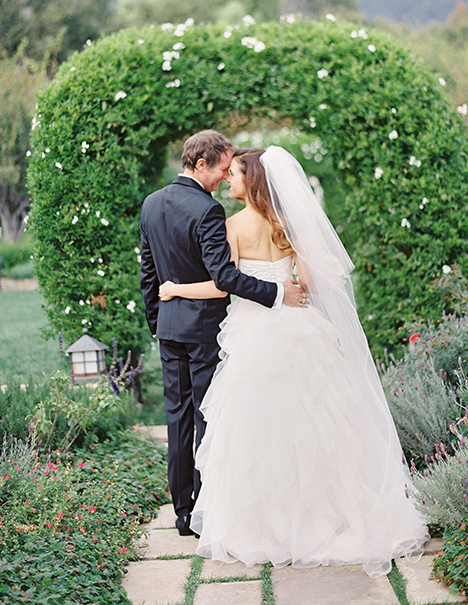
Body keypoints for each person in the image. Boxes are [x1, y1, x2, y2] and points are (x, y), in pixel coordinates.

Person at [158, 146, 427, 573]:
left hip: (254, 334)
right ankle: (329, 514)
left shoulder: (233, 225)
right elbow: (313, 282)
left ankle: (268, 525)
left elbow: (223, 285)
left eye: (236, 174)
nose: (229, 178)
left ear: (253, 181)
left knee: (258, 426)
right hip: (300, 326)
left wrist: (175, 289)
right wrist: (292, 288)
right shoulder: (287, 225)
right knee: (318, 420)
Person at [140, 130, 308, 538]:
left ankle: (183, 511)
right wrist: (276, 293)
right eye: (220, 168)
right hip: (204, 329)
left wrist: (157, 322)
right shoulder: (208, 210)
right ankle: (205, 508)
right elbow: (225, 277)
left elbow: (148, 273)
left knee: (177, 418)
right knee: (206, 415)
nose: (222, 177)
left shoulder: (151, 204)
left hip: (170, 327)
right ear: (201, 165)